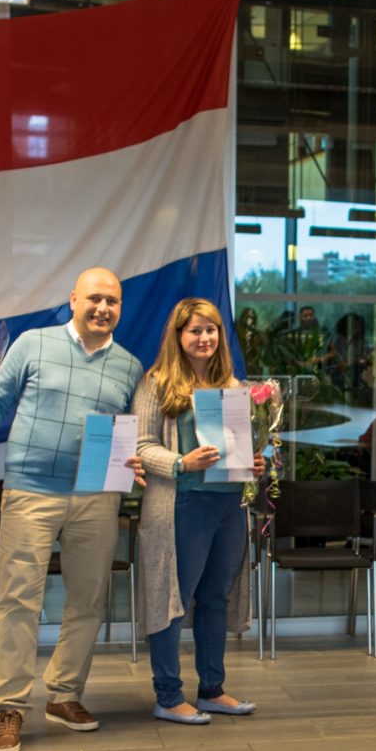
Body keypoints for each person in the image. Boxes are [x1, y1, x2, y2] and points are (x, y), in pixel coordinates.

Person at [0, 267, 144, 751]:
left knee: (89, 600)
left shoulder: (129, 366)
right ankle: (9, 706)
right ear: (74, 299)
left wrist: (136, 457)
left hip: (97, 496)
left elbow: (132, 433)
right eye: (95, 298)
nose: (103, 308)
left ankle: (64, 694)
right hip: (31, 492)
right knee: (18, 601)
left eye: (113, 301)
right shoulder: (33, 344)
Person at [133, 298, 264, 724]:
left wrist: (255, 462)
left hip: (229, 506)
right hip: (181, 505)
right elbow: (141, 445)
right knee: (171, 599)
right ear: (178, 336)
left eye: (212, 329)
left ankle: (212, 690)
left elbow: (242, 445)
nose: (205, 337)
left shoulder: (234, 386)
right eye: (195, 330)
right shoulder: (157, 384)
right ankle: (168, 696)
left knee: (215, 599)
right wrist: (180, 462)